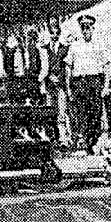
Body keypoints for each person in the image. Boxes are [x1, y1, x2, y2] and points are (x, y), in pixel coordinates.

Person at [65, 15, 106, 154]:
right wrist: (68, 87)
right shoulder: (74, 46)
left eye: (88, 27)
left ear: (93, 28)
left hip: (94, 82)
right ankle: (82, 144)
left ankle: (93, 143)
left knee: (95, 113)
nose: (85, 30)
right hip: (79, 83)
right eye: (83, 27)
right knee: (81, 113)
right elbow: (68, 67)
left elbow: (107, 65)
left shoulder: (99, 45)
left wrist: (105, 86)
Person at [39, 15, 71, 148]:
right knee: (49, 111)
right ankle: (51, 138)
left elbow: (67, 67)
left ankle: (63, 139)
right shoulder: (44, 48)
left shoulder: (65, 48)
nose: (54, 35)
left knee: (62, 112)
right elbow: (42, 67)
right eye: (52, 32)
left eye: (56, 32)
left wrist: (60, 78)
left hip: (61, 84)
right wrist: (46, 79)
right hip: (49, 84)